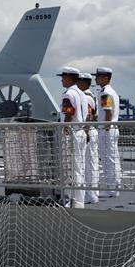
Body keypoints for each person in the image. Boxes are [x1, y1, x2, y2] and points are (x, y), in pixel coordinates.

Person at [58, 67, 86, 208]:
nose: (61, 80)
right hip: (80, 131)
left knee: (71, 167)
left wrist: (65, 128)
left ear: (69, 77)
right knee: (79, 166)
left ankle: (74, 200)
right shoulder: (82, 93)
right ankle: (79, 199)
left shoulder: (68, 94)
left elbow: (68, 113)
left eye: (63, 77)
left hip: (72, 133)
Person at [94, 67, 121, 197]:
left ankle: (111, 189)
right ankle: (115, 187)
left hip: (107, 129)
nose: (96, 79)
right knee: (113, 158)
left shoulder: (105, 93)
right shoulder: (112, 92)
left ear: (105, 78)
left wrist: (105, 127)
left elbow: (108, 112)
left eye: (98, 76)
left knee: (107, 159)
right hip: (111, 129)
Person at [77, 73, 100, 204]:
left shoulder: (86, 97)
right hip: (90, 131)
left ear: (83, 83)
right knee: (90, 164)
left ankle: (90, 195)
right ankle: (90, 194)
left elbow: (89, 116)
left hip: (88, 132)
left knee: (88, 165)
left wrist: (85, 133)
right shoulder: (89, 95)